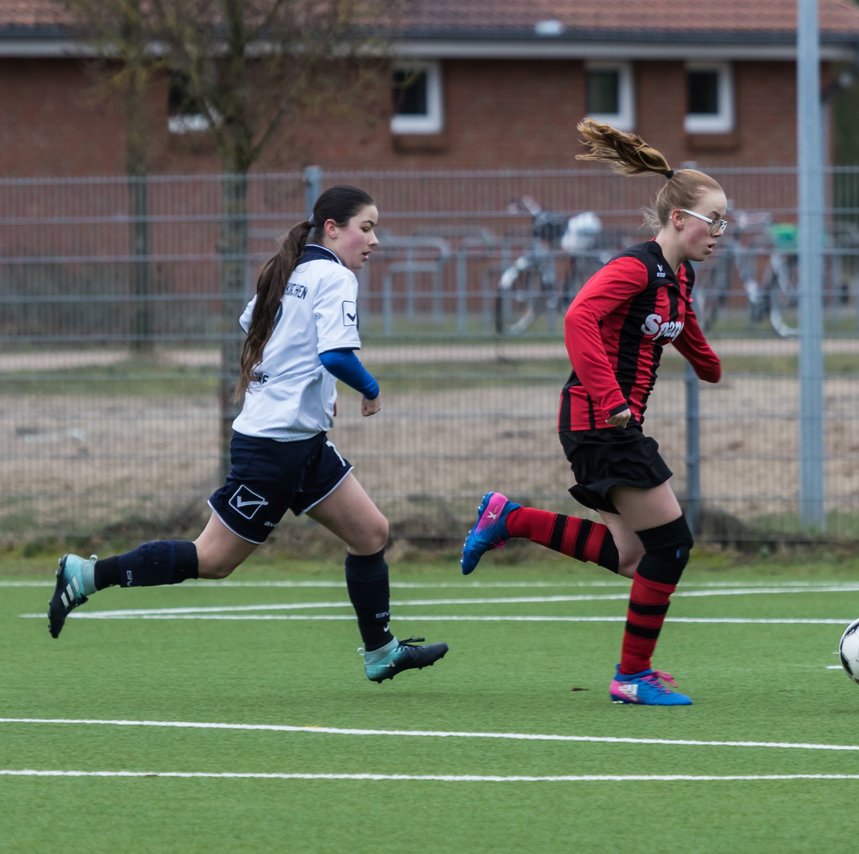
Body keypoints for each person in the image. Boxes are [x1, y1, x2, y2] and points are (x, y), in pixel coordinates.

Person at [47, 185, 448, 684]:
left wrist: (311, 392)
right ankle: (86, 576)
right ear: (332, 228)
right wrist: (369, 388)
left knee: (370, 533)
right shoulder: (332, 277)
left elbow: (262, 335)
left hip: (301, 443)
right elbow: (335, 354)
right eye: (366, 228)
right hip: (274, 450)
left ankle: (381, 652)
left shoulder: (290, 271)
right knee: (213, 560)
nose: (374, 241)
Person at [459, 117, 724, 706]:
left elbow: (683, 334)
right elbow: (578, 318)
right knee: (671, 546)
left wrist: (708, 363)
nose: (721, 231)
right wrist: (612, 401)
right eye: (714, 220)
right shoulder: (636, 267)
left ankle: (510, 518)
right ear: (679, 219)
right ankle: (632, 675)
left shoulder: (678, 280)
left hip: (606, 423)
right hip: (601, 421)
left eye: (724, 222)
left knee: (632, 556)